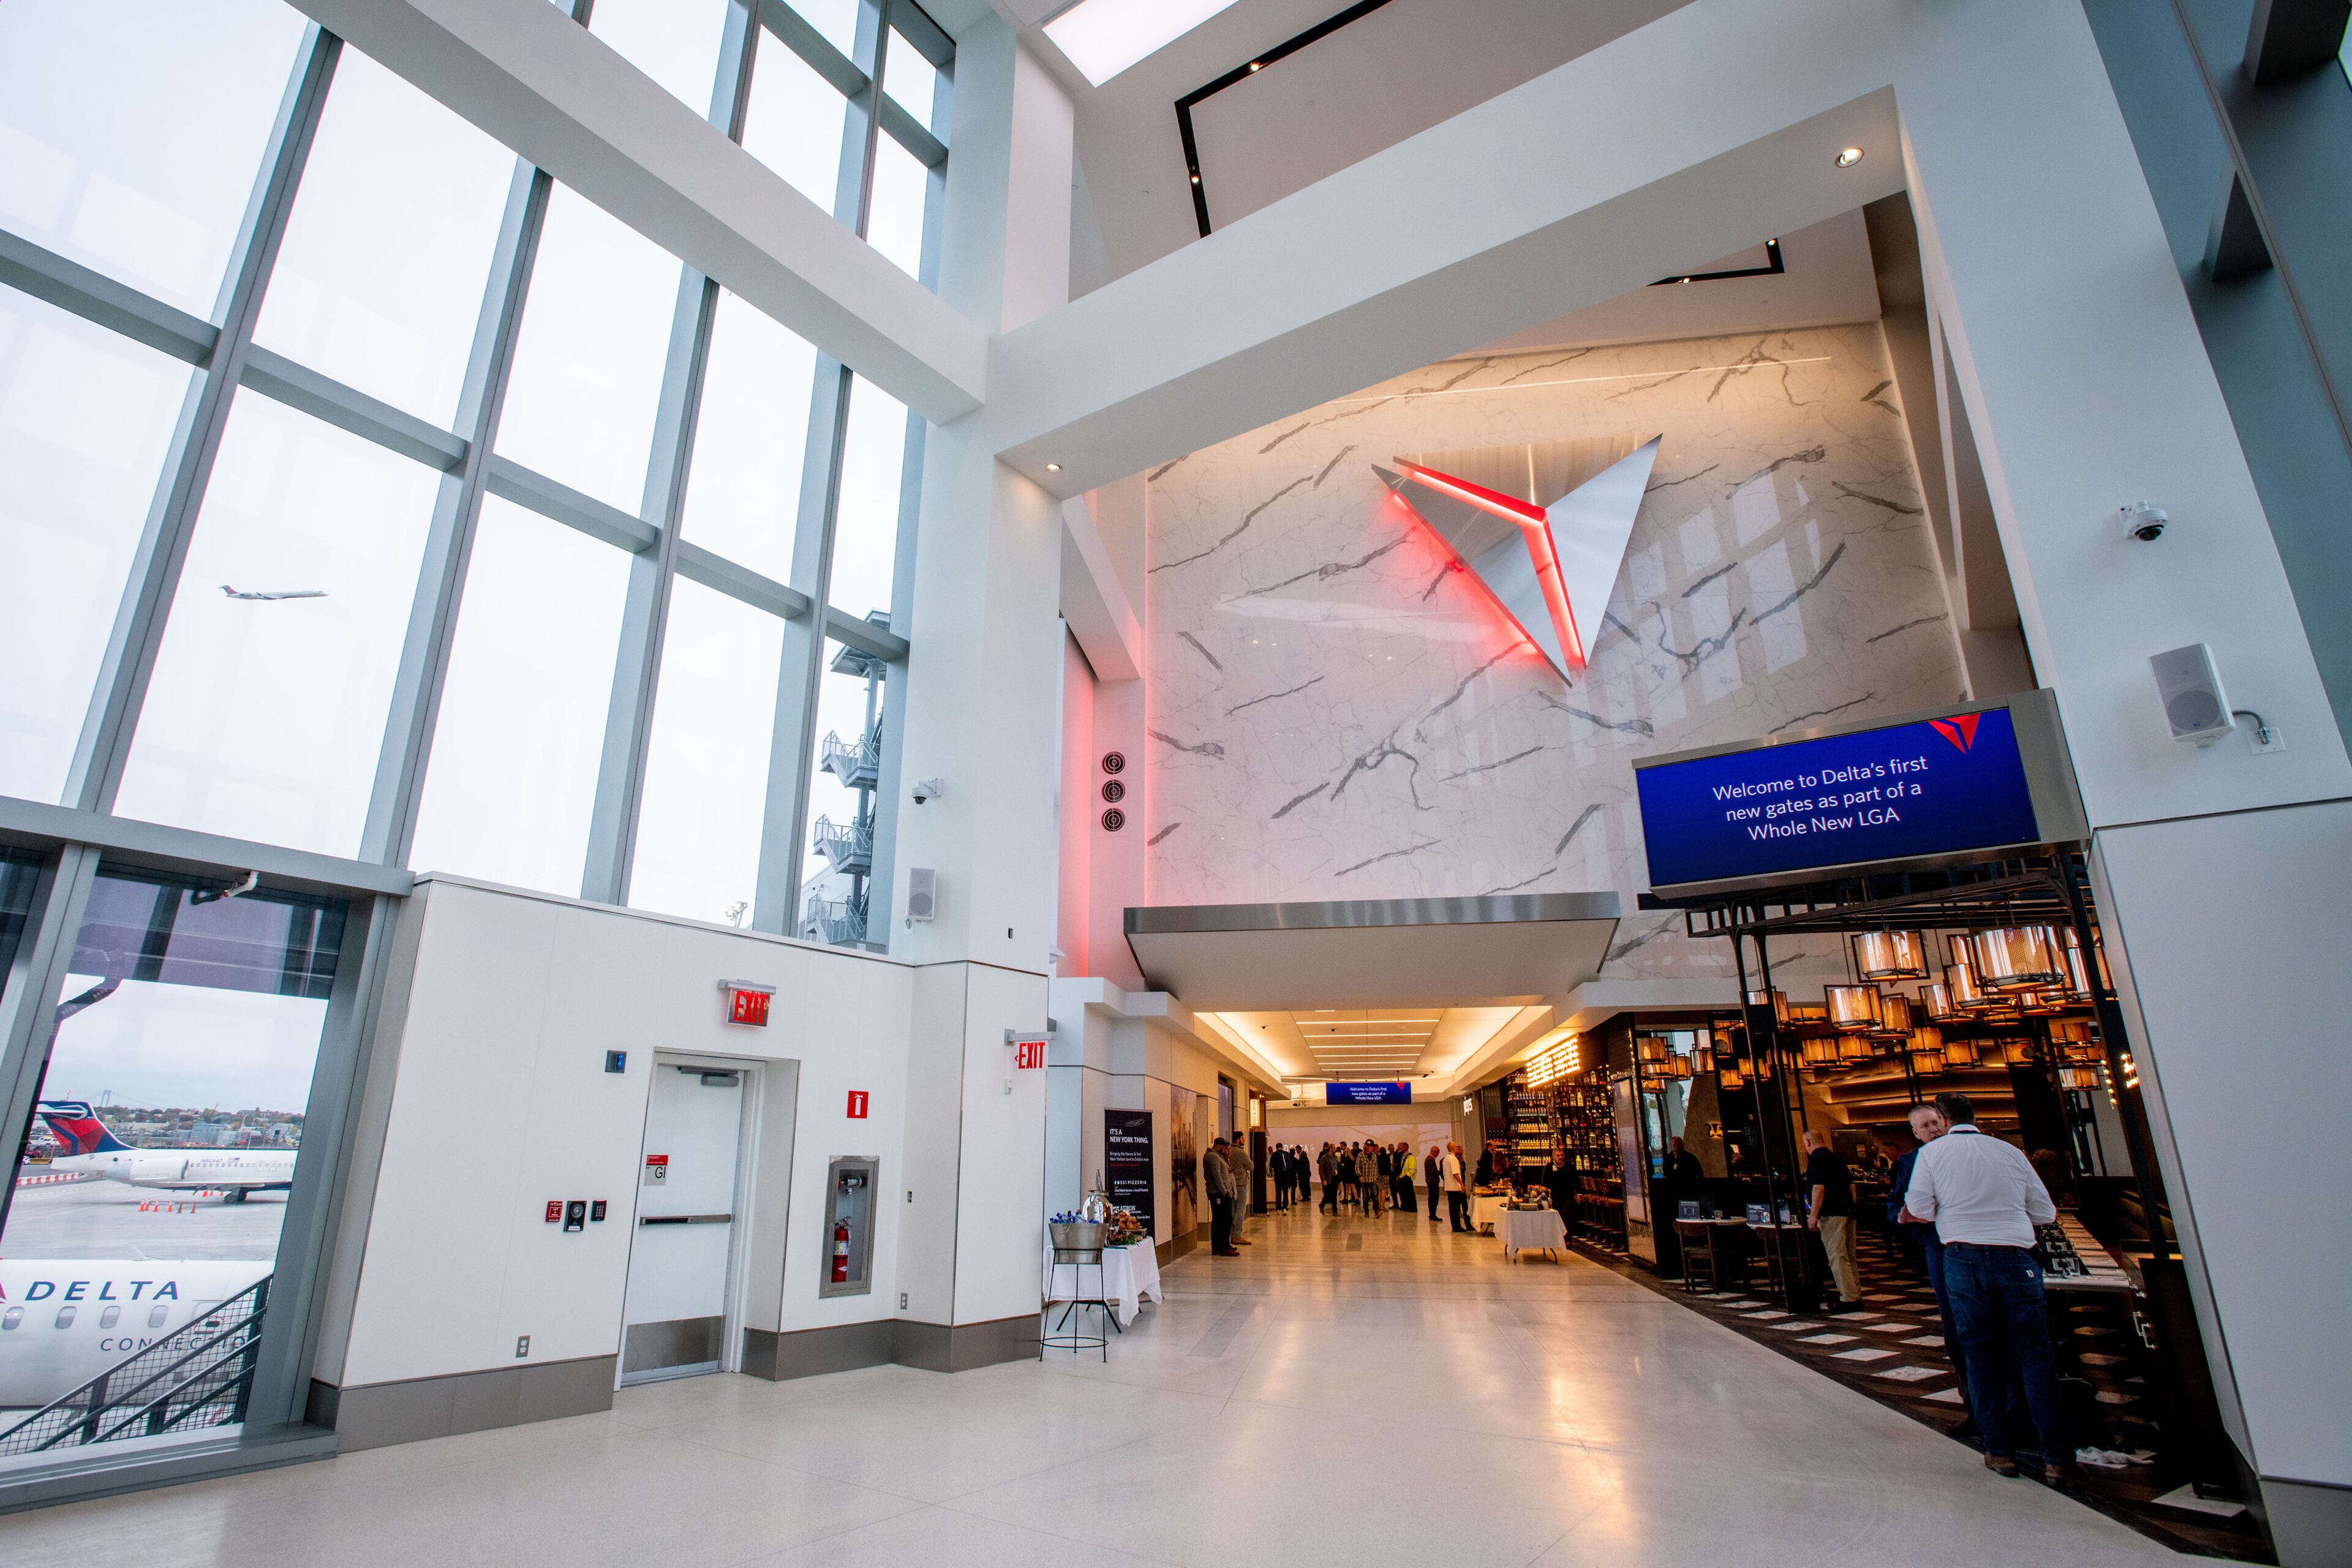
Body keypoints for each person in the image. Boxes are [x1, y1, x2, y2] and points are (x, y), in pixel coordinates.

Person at [1905, 1091, 2080, 1484]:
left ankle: (1999, 1451)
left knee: (1979, 1354)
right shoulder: (2010, 1153)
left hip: (1963, 1258)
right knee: (2036, 1357)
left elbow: (1919, 1209)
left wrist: (1950, 1207)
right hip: (2016, 1259)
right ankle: (2058, 1460)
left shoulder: (1933, 1155)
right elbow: (2045, 1212)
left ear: (1944, 1121)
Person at [1891, 1105, 1980, 1439]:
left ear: (1945, 1122)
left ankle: (2006, 1411)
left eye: (1934, 1123)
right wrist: (1909, 1221)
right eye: (1924, 1126)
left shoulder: (1971, 1152)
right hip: (1940, 1251)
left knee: (1984, 1330)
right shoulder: (1911, 1162)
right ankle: (1973, 1406)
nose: (1932, 1129)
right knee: (1957, 1329)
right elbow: (1898, 1205)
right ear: (1915, 1133)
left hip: (1979, 1245)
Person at [1803, 1129, 1860, 1311]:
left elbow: (1818, 1189)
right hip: (1848, 1211)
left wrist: (1813, 1215)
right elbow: (1852, 1188)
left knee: (1837, 1256)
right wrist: (1851, 1207)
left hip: (1831, 1213)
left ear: (1808, 1142)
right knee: (1849, 1256)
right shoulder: (1837, 1158)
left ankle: (1848, 1298)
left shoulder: (1815, 1160)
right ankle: (1854, 1293)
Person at [1204, 1137, 1240, 1256]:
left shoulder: (1216, 1156)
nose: (1226, 1151)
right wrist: (1225, 1192)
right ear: (1219, 1146)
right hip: (1219, 1194)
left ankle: (1223, 1245)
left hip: (1221, 1193)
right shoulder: (1213, 1157)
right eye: (1225, 1148)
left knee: (1223, 1219)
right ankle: (1222, 1247)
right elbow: (1217, 1177)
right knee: (1223, 1220)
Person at [1224, 1137, 1254, 1245]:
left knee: (1233, 1210)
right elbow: (1251, 1166)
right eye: (1242, 1138)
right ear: (1238, 1140)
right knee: (1240, 1210)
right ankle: (1237, 1235)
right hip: (1241, 1184)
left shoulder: (1229, 1152)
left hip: (1231, 1184)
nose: (1244, 1139)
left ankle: (1232, 1234)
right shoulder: (1240, 1152)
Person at [1444, 1141, 1471, 1232]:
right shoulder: (1453, 1159)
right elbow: (1456, 1173)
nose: (1457, 1149)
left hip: (1449, 1187)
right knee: (1455, 1208)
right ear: (1452, 1149)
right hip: (1455, 1187)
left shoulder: (1446, 1159)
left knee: (1452, 1208)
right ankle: (1457, 1227)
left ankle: (1455, 1226)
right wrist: (1462, 1184)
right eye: (1456, 1147)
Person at [1355, 1142, 1381, 1214]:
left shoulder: (1374, 1155)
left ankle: (1377, 1211)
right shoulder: (1361, 1155)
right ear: (1367, 1147)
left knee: (1375, 1195)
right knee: (1366, 1196)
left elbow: (1376, 1166)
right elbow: (1357, 1167)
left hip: (1373, 1179)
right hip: (1364, 1179)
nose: (1372, 1148)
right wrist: (1360, 1176)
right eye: (1370, 1146)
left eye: (1372, 1146)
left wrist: (1377, 1176)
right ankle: (1366, 1212)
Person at [1425, 1144, 1444, 1220]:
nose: (1438, 1155)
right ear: (1435, 1152)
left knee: (1432, 1198)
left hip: (1431, 1182)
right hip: (1433, 1182)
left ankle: (1432, 1214)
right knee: (1434, 1199)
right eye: (1438, 1153)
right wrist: (1441, 1171)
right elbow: (1433, 1172)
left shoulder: (1429, 1159)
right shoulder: (1430, 1160)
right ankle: (1433, 1215)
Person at [1396, 1144, 1417, 1212]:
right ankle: (1405, 1206)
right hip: (1402, 1177)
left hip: (1407, 1178)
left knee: (1409, 1193)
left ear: (1406, 1147)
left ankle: (1412, 1207)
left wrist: (1407, 1176)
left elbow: (1412, 1168)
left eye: (1401, 1146)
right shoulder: (1402, 1156)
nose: (1400, 1148)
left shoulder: (1411, 1157)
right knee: (1404, 1194)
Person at [1318, 1144, 1339, 1212]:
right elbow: (1321, 1170)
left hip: (1335, 1178)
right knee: (1327, 1194)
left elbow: (1337, 1166)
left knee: (1334, 1195)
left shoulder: (1335, 1157)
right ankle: (1322, 1205)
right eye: (1334, 1148)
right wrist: (1324, 1180)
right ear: (1330, 1149)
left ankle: (1335, 1210)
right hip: (1328, 1178)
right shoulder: (1324, 1158)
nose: (1335, 1149)